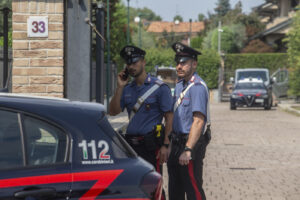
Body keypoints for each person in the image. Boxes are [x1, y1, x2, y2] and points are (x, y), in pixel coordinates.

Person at [109, 45, 173, 199]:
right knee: (134, 186)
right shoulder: (127, 88)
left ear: (143, 62)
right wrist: (119, 87)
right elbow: (113, 111)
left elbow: (169, 117)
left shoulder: (159, 88)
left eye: (135, 62)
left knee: (153, 186)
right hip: (131, 146)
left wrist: (165, 145)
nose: (131, 66)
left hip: (151, 146)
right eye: (129, 63)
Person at [168, 42, 211, 200]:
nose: (179, 66)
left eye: (183, 62)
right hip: (177, 143)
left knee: (193, 190)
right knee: (175, 190)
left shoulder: (197, 87)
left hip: (189, 145)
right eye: (178, 62)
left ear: (194, 63)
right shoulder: (180, 85)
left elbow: (198, 121)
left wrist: (188, 150)